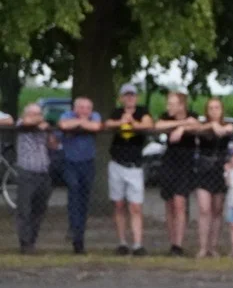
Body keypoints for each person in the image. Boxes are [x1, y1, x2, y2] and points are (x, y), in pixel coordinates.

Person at [104, 83, 153, 255]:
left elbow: (147, 124)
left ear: (136, 97)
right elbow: (108, 124)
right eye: (126, 95)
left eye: (132, 95)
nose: (129, 98)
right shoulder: (117, 112)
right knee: (118, 204)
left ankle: (138, 244)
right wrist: (121, 121)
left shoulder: (142, 111)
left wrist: (132, 122)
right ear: (121, 98)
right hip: (117, 163)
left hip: (134, 166)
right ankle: (122, 242)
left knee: (135, 207)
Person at [57, 96, 103, 254]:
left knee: (84, 199)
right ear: (74, 108)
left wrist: (78, 125)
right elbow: (63, 125)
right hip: (70, 162)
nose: (84, 111)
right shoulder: (67, 116)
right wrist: (82, 123)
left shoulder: (95, 116)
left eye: (87, 108)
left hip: (87, 163)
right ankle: (73, 227)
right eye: (81, 107)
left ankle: (79, 238)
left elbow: (96, 126)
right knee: (73, 191)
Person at [156, 92, 199, 256]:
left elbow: (196, 125)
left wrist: (181, 128)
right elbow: (158, 125)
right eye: (168, 104)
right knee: (170, 203)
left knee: (180, 202)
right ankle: (172, 240)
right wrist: (180, 123)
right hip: (169, 162)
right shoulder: (166, 117)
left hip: (185, 164)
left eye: (172, 104)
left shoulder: (192, 115)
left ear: (182, 105)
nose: (169, 107)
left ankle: (178, 245)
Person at [193, 98, 233, 259]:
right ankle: (203, 247)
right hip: (204, 170)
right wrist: (211, 125)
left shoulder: (228, 126)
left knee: (217, 210)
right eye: (211, 108)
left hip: (219, 170)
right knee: (204, 210)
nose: (214, 111)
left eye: (217, 108)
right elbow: (196, 129)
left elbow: (228, 129)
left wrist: (219, 127)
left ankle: (213, 246)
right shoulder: (203, 127)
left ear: (222, 110)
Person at [14, 104, 56, 254]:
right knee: (24, 208)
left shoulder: (44, 128)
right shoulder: (21, 125)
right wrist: (39, 122)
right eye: (33, 113)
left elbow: (53, 145)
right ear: (25, 114)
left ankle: (32, 240)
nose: (37, 116)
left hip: (43, 172)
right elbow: (27, 123)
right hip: (27, 171)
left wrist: (49, 132)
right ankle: (24, 243)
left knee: (39, 209)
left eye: (39, 113)